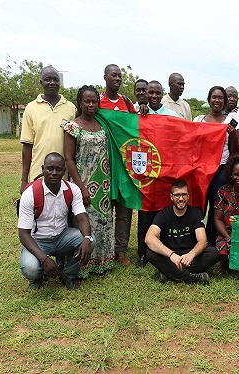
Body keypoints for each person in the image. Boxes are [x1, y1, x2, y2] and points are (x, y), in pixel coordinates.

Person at [18, 152, 93, 290]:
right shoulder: (30, 194)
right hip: (38, 240)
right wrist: (44, 259)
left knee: (88, 240)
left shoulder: (72, 189)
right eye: (49, 168)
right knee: (30, 269)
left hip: (62, 236)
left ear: (64, 171)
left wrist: (87, 238)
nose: (54, 173)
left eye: (58, 169)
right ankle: (38, 276)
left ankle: (67, 275)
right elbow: (23, 233)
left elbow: (82, 218)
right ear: (42, 169)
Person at [62, 85, 115, 277]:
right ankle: (82, 266)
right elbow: (69, 159)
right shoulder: (72, 127)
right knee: (85, 223)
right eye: (87, 101)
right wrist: (81, 188)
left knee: (103, 222)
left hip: (104, 184)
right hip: (82, 183)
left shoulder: (103, 125)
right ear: (80, 102)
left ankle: (102, 262)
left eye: (94, 101)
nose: (91, 104)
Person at [136, 80, 179, 268]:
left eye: (157, 92)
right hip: (145, 172)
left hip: (165, 170)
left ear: (163, 94)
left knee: (164, 211)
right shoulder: (138, 114)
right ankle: (142, 253)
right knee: (145, 212)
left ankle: (165, 248)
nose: (153, 96)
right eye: (150, 92)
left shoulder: (171, 115)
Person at [145, 180, 219, 284]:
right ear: (171, 197)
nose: (181, 198)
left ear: (188, 196)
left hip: (189, 256)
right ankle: (191, 278)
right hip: (169, 255)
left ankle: (169, 272)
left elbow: (202, 240)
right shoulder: (164, 214)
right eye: (177, 195)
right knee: (150, 253)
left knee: (213, 253)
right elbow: (149, 238)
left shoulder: (195, 213)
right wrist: (172, 255)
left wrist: (191, 254)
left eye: (184, 194)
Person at [99, 63, 137, 266]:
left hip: (124, 164)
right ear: (104, 77)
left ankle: (120, 251)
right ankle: (104, 248)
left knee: (124, 210)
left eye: (120, 76)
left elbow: (135, 127)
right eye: (113, 75)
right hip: (103, 163)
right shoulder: (96, 101)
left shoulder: (127, 103)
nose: (117, 78)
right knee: (104, 209)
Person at [194, 86, 239, 247]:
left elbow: (236, 151)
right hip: (200, 171)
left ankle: (213, 243)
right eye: (214, 97)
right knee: (199, 206)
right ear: (209, 99)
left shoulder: (230, 122)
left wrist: (233, 134)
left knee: (216, 208)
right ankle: (198, 240)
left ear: (225, 101)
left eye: (221, 98)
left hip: (220, 171)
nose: (217, 100)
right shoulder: (199, 120)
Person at [20, 66, 76, 193]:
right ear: (41, 83)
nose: (52, 82)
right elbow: (27, 147)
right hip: (38, 173)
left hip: (64, 173)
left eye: (55, 79)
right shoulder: (31, 108)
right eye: (47, 79)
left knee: (62, 210)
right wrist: (24, 180)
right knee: (40, 209)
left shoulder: (71, 108)